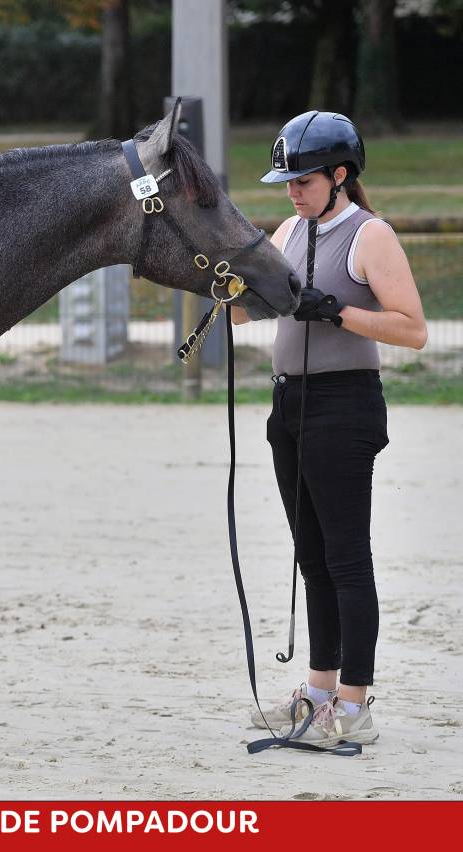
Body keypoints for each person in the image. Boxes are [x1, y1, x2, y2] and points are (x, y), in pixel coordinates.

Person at [230, 111, 427, 747]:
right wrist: (227, 288)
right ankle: (318, 693)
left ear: (340, 176)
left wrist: (338, 312)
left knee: (346, 558)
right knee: (311, 558)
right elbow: (246, 313)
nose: (292, 192)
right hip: (289, 403)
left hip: (345, 405)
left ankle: (355, 706)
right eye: (287, 181)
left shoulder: (371, 235)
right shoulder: (289, 230)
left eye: (304, 181)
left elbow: (413, 330)